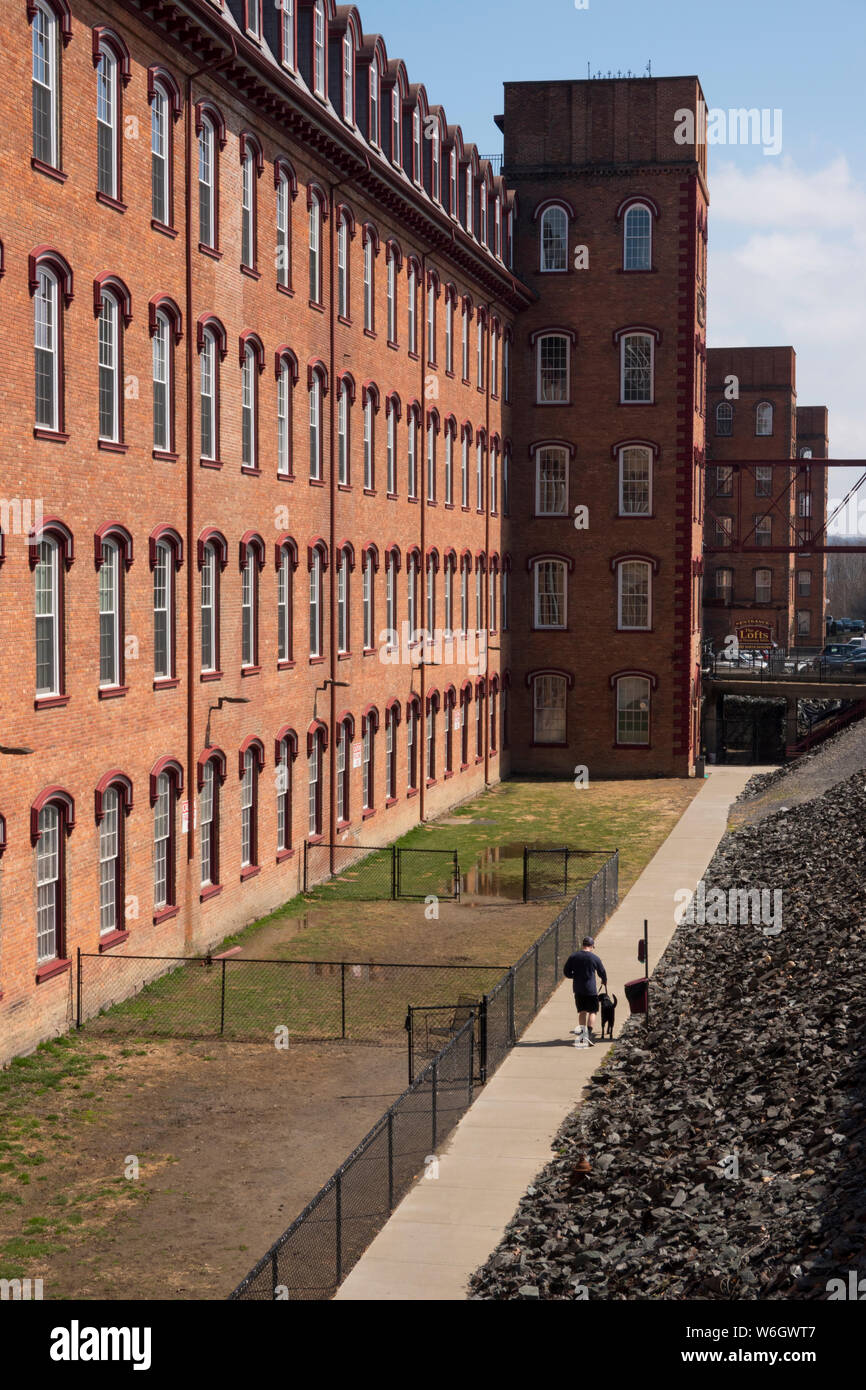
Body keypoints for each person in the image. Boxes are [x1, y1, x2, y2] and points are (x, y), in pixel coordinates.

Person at [563, 936, 607, 1048]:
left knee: (582, 1011)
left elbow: (566, 972)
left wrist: (575, 976)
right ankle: (589, 1033)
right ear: (591, 946)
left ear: (583, 945)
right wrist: (604, 980)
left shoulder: (573, 956)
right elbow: (602, 971)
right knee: (593, 1011)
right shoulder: (594, 958)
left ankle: (583, 1034)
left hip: (578, 989)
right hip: (590, 990)